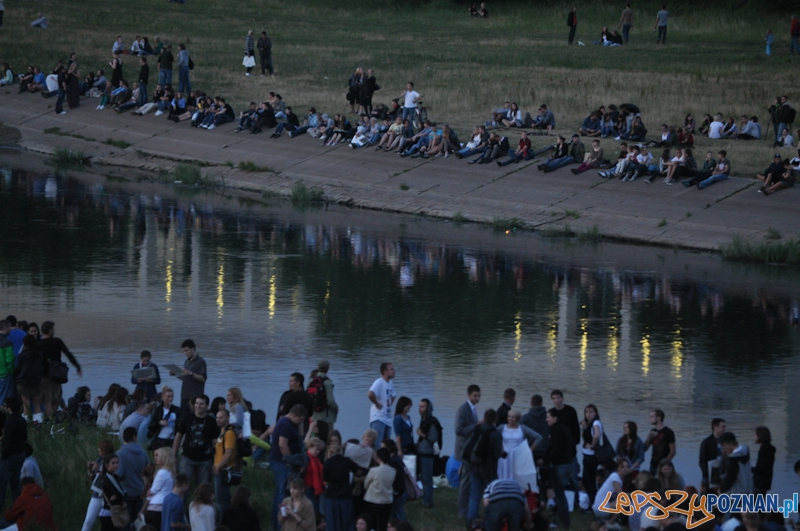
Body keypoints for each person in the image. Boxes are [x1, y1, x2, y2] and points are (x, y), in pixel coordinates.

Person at [270, 404, 307, 531]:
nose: (301, 422)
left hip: (280, 462)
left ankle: (277, 524)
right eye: (300, 419)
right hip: (282, 463)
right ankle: (281, 522)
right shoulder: (286, 425)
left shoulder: (288, 423)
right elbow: (282, 445)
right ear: (294, 415)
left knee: (279, 493)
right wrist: (291, 461)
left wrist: (300, 424)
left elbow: (300, 435)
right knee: (282, 493)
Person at [36, 320, 82, 418]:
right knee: (56, 399)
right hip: (57, 375)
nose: (54, 331)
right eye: (53, 329)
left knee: (47, 400)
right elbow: (68, 354)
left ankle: (49, 421)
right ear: (49, 330)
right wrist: (77, 366)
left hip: (44, 375)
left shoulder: (38, 344)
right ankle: (53, 420)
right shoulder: (57, 341)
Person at [467, 409, 503, 526]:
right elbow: (497, 454)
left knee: (474, 495)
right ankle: (490, 520)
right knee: (491, 495)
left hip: (473, 466)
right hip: (488, 469)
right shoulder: (495, 434)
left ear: (484, 417)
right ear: (495, 419)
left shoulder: (477, 429)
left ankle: (470, 520)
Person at [173, 394, 217, 489]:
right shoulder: (187, 418)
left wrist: (216, 461)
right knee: (182, 486)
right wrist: (174, 454)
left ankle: (199, 503)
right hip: (187, 458)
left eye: (201, 404)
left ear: (207, 406)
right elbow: (178, 436)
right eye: (196, 403)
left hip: (205, 460)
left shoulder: (212, 421)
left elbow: (215, 442)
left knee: (202, 488)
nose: (198, 406)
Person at [545, 408, 577, 530]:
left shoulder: (556, 430)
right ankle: (563, 519)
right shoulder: (565, 429)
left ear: (555, 418)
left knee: (559, 495)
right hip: (569, 463)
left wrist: (546, 459)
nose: (547, 419)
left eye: (548, 416)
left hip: (560, 465)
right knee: (561, 493)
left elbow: (557, 448)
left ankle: (565, 523)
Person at [456, 384, 481, 520]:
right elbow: (458, 430)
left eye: (478, 396)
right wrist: (475, 426)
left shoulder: (473, 409)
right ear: (468, 395)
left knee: (469, 481)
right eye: (475, 396)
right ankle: (462, 511)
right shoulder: (462, 410)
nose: (477, 398)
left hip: (470, 450)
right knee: (465, 482)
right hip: (464, 450)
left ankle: (469, 509)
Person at [496, 409, 541, 485]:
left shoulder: (522, 428)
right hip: (504, 457)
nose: (510, 419)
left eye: (513, 417)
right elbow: (492, 436)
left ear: (517, 419)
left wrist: (529, 451)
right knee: (503, 476)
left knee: (518, 478)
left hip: (518, 457)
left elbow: (538, 437)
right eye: (509, 416)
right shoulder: (502, 428)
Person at [117, 427, 149, 525]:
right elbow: (148, 471)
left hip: (126, 493)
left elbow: (119, 474)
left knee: (125, 523)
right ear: (135, 437)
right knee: (137, 523)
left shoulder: (120, 454)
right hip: (139, 492)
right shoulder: (143, 453)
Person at [324, 442, 358, 531]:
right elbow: (356, 469)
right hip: (345, 495)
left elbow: (325, 479)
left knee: (332, 524)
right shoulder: (346, 461)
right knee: (347, 523)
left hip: (332, 496)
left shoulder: (327, 463)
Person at [416, 398, 441, 509]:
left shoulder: (431, 421)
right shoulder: (424, 420)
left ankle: (428, 501)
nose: (420, 409)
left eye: (422, 406)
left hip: (427, 454)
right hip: (422, 452)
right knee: (423, 478)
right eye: (419, 406)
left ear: (428, 408)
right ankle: (426, 498)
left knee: (427, 479)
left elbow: (433, 438)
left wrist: (421, 435)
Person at [143, 447, 176, 529]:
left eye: (158, 456)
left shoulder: (162, 472)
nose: (156, 458)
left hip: (156, 507)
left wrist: (148, 491)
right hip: (164, 504)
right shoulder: (170, 472)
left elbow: (153, 490)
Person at [171, 339, 206, 417]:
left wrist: (191, 373)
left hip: (195, 398)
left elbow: (203, 378)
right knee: (183, 419)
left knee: (193, 417)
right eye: (183, 351)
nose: (185, 353)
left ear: (193, 348)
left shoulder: (200, 361)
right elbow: (185, 378)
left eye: (186, 350)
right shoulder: (187, 362)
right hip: (184, 395)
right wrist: (175, 374)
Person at [212, 408, 237, 517]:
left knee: (221, 500)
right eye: (217, 417)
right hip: (219, 468)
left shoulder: (229, 433)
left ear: (228, 418)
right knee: (220, 498)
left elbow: (228, 453)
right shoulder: (222, 432)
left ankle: (224, 522)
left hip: (223, 470)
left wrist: (218, 467)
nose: (218, 420)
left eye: (221, 417)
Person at [364, 448, 395, 531]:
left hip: (372, 500)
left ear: (378, 458)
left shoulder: (374, 470)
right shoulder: (393, 471)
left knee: (371, 523)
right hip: (387, 500)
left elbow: (366, 484)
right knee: (383, 524)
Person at [15, 335, 44, 424]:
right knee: (37, 404)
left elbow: (18, 368)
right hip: (36, 381)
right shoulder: (39, 354)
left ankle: (27, 422)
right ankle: (39, 422)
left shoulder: (22, 355)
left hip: (23, 382)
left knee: (26, 404)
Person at [367, 363, 397, 449]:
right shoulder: (379, 382)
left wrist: (389, 404)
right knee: (377, 445)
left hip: (387, 419)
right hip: (378, 418)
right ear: (385, 372)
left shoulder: (390, 383)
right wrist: (376, 403)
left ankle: (383, 462)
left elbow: (394, 394)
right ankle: (375, 461)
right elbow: (370, 394)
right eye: (391, 369)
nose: (394, 371)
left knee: (386, 446)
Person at [642, 409, 675, 476]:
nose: (650, 418)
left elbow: (673, 451)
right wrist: (649, 437)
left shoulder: (668, 432)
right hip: (653, 464)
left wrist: (665, 464)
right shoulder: (653, 431)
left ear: (658, 418)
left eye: (652, 416)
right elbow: (644, 448)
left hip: (663, 466)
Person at [148, 385, 181, 450]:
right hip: (160, 438)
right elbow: (150, 425)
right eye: (168, 397)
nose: (170, 399)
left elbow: (180, 421)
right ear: (163, 396)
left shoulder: (176, 410)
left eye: (172, 397)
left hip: (172, 438)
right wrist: (159, 422)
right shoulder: (158, 410)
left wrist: (179, 423)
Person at [99, 453, 126, 531]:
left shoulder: (112, 476)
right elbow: (121, 493)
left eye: (117, 463)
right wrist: (118, 495)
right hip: (109, 512)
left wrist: (117, 495)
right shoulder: (109, 478)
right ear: (107, 465)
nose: (116, 465)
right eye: (113, 463)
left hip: (109, 512)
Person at [698, 418, 725, 493]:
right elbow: (702, 460)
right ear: (715, 427)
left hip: (723, 472)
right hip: (710, 473)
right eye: (722, 427)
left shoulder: (727, 441)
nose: (724, 429)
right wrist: (706, 474)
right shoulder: (706, 443)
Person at [310, 360, 338, 429]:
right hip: (326, 417)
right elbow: (330, 401)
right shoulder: (327, 382)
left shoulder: (311, 381)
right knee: (328, 438)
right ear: (328, 368)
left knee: (315, 439)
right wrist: (336, 409)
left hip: (314, 417)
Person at [753, 426, 775, 495]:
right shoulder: (769, 449)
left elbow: (761, 468)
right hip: (765, 483)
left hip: (759, 483)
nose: (754, 436)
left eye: (756, 434)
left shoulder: (764, 449)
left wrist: (750, 469)